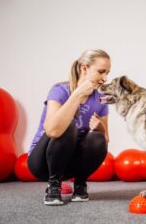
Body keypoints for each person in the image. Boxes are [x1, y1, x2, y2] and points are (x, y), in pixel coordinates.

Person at [28, 49, 111, 205]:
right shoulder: (60, 90)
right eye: (101, 72)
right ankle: (53, 186)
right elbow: (52, 130)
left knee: (98, 138)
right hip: (42, 162)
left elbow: (105, 141)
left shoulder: (101, 100)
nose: (105, 79)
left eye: (107, 73)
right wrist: (77, 95)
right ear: (84, 69)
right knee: (68, 125)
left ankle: (80, 184)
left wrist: (101, 129)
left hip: (70, 164)